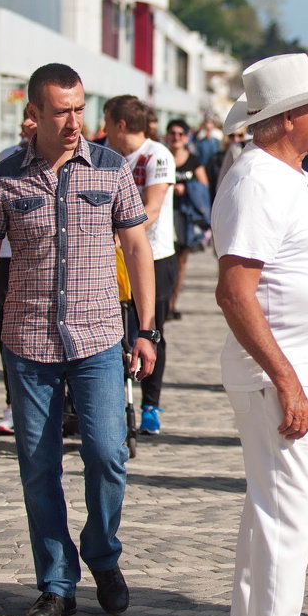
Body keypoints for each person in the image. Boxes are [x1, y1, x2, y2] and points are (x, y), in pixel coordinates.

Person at [0, 62, 157, 616]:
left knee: (107, 454)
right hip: (27, 340)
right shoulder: (5, 176)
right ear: (35, 113)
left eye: (80, 109)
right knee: (38, 465)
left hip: (99, 337)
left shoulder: (110, 167)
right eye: (61, 111)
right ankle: (55, 580)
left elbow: (138, 249)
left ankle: (102, 552)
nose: (74, 122)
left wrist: (146, 329)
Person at [212, 53, 308, 616]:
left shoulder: (284, 176)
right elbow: (234, 290)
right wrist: (286, 377)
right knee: (285, 520)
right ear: (287, 117)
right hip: (279, 375)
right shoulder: (255, 180)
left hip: (297, 369)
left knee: (270, 516)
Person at [105, 96, 177, 436]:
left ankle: (150, 404)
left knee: (150, 331)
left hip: (155, 255)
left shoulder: (156, 155)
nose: (103, 129)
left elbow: (154, 207)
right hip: (114, 257)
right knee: (115, 331)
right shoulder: (107, 155)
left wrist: (117, 235)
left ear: (120, 124)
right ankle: (113, 400)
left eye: (106, 121)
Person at [0, 112, 36, 434]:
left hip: (41, 257)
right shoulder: (7, 157)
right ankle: (12, 403)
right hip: (7, 256)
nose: (26, 124)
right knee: (8, 332)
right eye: (25, 118)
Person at [165, 118, 211, 322]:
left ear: (186, 137)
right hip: (163, 215)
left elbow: (204, 187)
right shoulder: (161, 157)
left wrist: (187, 188)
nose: (176, 137)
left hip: (184, 216)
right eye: (172, 133)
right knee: (165, 261)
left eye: (180, 134)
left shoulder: (193, 160)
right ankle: (162, 302)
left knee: (180, 261)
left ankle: (172, 303)